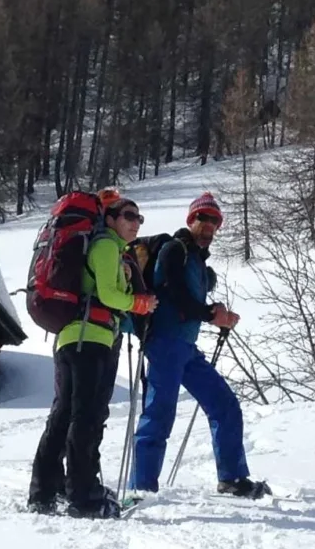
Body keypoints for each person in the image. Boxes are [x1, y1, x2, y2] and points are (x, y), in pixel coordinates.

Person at [126, 192, 264, 499]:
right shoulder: (175, 250)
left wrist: (214, 312)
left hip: (185, 347)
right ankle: (141, 487)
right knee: (159, 414)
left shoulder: (198, 263)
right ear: (191, 220)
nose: (209, 226)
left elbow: (189, 300)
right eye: (203, 219)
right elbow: (171, 293)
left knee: (225, 405)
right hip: (164, 342)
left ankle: (232, 477)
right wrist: (211, 314)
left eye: (214, 221)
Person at [27, 189, 155, 518]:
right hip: (91, 338)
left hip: (74, 336)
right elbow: (110, 296)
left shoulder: (102, 246)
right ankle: (83, 495)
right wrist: (140, 303)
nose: (135, 223)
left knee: (66, 413)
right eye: (128, 215)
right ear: (109, 219)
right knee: (87, 416)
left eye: (139, 218)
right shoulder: (106, 245)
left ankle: (46, 490)